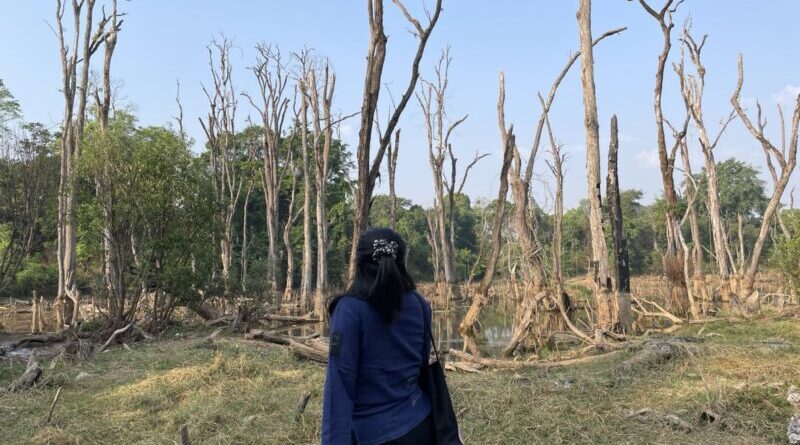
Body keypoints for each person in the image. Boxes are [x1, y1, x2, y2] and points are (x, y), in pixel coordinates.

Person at [322, 227, 435, 445]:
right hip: (420, 425)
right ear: (401, 263)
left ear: (359, 264)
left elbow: (339, 387)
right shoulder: (420, 305)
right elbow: (421, 364)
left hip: (370, 434)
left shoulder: (349, 311)